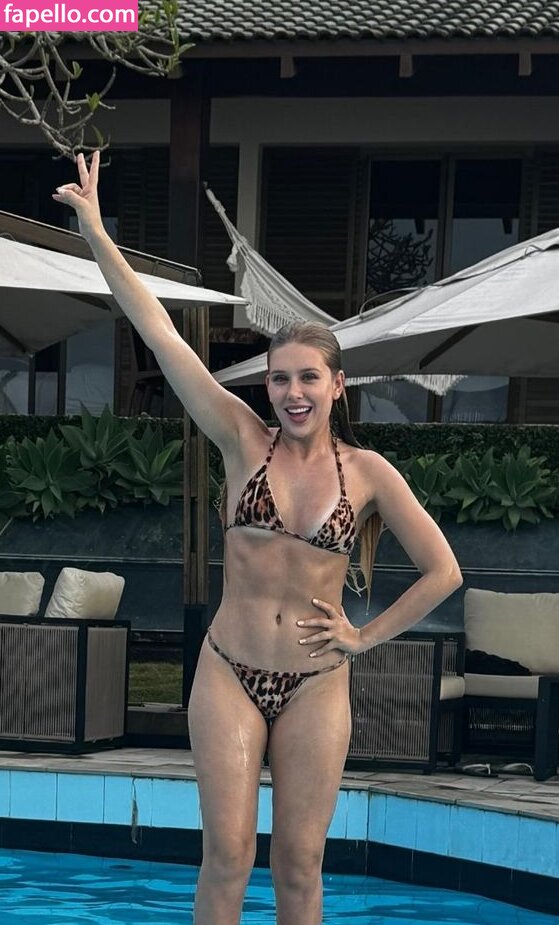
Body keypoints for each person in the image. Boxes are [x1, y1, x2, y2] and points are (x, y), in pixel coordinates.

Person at [53, 151, 463, 925]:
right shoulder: (242, 440)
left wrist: (363, 636)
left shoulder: (366, 472)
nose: (292, 392)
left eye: (308, 377)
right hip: (229, 671)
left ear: (337, 384)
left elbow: (443, 570)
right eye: (279, 378)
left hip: (315, 682)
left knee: (300, 866)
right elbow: (158, 332)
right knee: (228, 856)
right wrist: (98, 232)